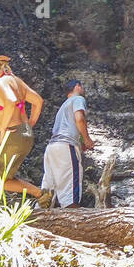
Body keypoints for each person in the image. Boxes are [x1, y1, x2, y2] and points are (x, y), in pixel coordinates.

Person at [0, 54, 47, 204]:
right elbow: (38, 101)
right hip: (24, 136)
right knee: (2, 180)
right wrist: (29, 125)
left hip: (11, 136)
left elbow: (11, 102)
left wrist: (3, 131)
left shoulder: (1, 82)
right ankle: (42, 195)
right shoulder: (16, 81)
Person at [41, 79, 94, 209]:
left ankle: (37, 217)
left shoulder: (63, 106)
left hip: (52, 148)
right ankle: (74, 222)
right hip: (66, 146)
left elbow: (68, 126)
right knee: (70, 189)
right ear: (77, 87)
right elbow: (79, 119)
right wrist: (87, 139)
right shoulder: (78, 99)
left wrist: (80, 142)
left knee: (48, 187)